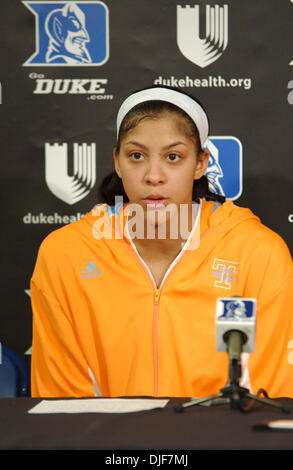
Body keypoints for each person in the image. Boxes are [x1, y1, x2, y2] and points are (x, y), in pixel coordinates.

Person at [30, 85, 293, 399]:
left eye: (173, 157)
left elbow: (272, 400)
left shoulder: (257, 253)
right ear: (117, 161)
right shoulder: (66, 254)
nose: (154, 176)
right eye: (137, 156)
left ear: (200, 163)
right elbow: (61, 407)